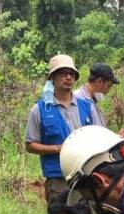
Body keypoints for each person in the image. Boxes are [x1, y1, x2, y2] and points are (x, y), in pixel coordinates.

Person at [25, 55, 93, 205]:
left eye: (71, 74)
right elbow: (30, 145)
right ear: (52, 78)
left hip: (86, 176)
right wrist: (57, 148)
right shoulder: (40, 109)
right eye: (63, 73)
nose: (68, 77)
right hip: (57, 178)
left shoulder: (86, 106)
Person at [74, 63, 120, 128]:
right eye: (109, 86)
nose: (109, 89)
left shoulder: (96, 99)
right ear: (99, 81)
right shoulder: (78, 100)